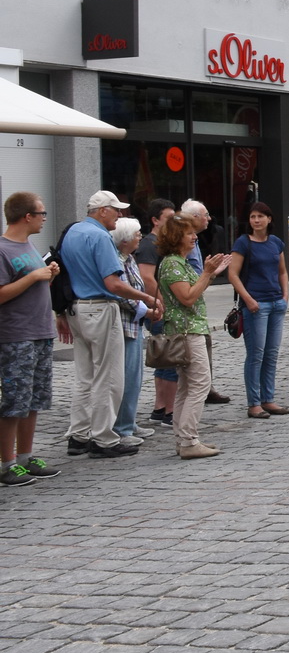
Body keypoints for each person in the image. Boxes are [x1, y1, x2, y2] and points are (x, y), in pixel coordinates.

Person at [60, 191, 154, 458]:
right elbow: (113, 283)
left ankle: (78, 435)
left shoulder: (73, 232)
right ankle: (103, 438)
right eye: (116, 210)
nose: (119, 215)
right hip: (100, 308)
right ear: (102, 211)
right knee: (109, 376)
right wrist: (145, 297)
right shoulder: (100, 236)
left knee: (85, 376)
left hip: (77, 308)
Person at [157, 212, 230, 459]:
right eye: (189, 233)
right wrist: (208, 273)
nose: (194, 237)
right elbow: (187, 297)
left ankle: (184, 438)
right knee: (199, 385)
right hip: (186, 331)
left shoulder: (179, 262)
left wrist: (212, 272)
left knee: (187, 387)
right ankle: (188, 440)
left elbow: (194, 291)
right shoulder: (172, 264)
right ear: (177, 237)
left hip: (188, 330)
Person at [1, 192, 63, 485]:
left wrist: (48, 274)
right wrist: (33, 277)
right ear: (27, 216)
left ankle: (25, 457)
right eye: (41, 213)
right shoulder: (3, 249)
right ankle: (7, 463)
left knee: (34, 400)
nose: (44, 218)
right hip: (16, 336)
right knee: (14, 401)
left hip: (40, 332)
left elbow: (33, 282)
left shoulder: (28, 244)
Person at [228, 202, 289, 418]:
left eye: (260, 216)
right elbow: (233, 274)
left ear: (269, 219)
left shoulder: (275, 243)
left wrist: (285, 296)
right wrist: (248, 299)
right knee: (256, 355)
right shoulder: (243, 243)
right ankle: (254, 403)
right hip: (256, 305)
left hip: (276, 304)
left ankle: (268, 399)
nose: (256, 220)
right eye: (253, 216)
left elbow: (282, 271)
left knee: (271, 354)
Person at [178, 199, 232, 405]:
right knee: (182, 360)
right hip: (185, 311)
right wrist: (208, 275)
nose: (209, 219)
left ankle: (206, 388)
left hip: (196, 306)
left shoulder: (196, 240)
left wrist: (209, 274)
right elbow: (186, 286)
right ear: (194, 218)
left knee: (204, 346)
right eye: (206, 215)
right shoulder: (181, 247)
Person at [133, 199, 178, 426]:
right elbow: (146, 278)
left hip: (161, 307)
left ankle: (160, 408)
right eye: (169, 218)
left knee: (163, 358)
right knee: (170, 359)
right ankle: (169, 411)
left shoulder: (161, 242)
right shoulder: (151, 244)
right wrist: (162, 305)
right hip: (162, 309)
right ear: (155, 220)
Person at [110, 217, 154, 443]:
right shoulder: (117, 261)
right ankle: (122, 427)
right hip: (125, 324)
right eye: (137, 234)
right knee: (126, 377)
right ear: (125, 239)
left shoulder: (130, 259)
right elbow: (122, 293)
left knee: (135, 377)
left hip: (134, 324)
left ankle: (130, 421)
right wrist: (146, 309)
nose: (140, 237)